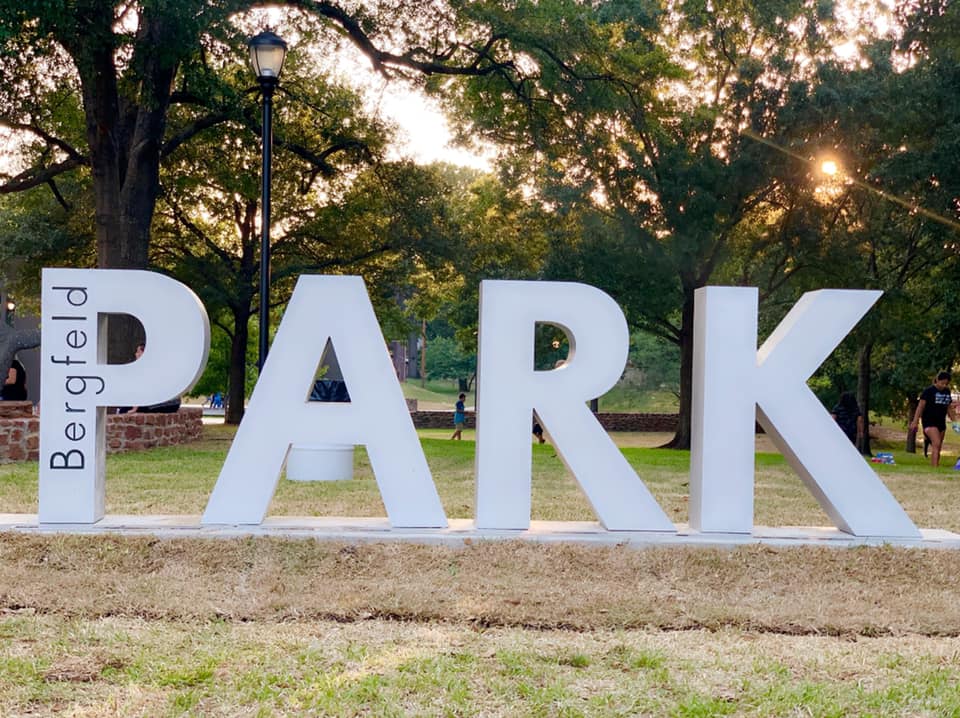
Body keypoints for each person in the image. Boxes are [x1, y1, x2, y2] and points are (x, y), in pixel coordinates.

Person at [909, 371, 957, 467]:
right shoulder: (928, 391)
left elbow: (949, 407)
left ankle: (936, 467)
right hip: (929, 422)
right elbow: (920, 407)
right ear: (937, 380)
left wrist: (955, 422)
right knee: (936, 443)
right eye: (942, 383)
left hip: (941, 422)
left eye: (946, 384)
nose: (944, 385)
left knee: (938, 447)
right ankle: (934, 467)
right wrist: (915, 421)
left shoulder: (947, 391)